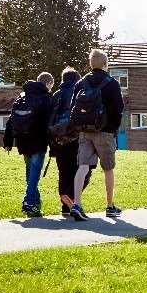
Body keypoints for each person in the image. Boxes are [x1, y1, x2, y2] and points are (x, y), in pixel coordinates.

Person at [69, 49, 124, 221]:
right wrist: (113, 127)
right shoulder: (112, 84)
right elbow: (118, 108)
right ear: (106, 64)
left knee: (83, 166)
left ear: (90, 64)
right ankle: (109, 206)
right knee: (108, 168)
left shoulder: (81, 83)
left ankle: (77, 203)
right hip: (105, 131)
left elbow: (73, 107)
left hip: (85, 131)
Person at [3, 72, 54, 217]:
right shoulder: (46, 98)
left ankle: (35, 202)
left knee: (30, 171)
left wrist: (8, 141)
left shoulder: (22, 96)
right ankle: (29, 202)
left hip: (22, 140)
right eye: (51, 86)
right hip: (38, 140)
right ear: (48, 84)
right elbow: (50, 122)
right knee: (35, 172)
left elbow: (11, 119)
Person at [48, 67, 93, 216]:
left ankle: (66, 208)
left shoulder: (55, 95)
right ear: (77, 79)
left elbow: (49, 118)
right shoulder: (79, 92)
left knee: (64, 172)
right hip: (75, 138)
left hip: (58, 140)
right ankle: (70, 196)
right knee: (84, 171)